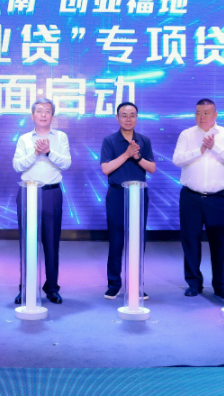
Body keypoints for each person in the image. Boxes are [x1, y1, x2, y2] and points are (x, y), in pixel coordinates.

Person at [172, 99, 224, 300]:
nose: (201, 117)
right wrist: (200, 150)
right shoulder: (187, 134)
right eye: (198, 113)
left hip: (218, 197)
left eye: (206, 113)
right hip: (190, 196)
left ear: (215, 114)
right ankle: (194, 283)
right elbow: (177, 160)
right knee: (190, 241)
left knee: (220, 242)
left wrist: (214, 147)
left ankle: (220, 285)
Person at [12, 98, 72, 305]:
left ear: (53, 116)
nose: (43, 114)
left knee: (51, 243)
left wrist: (48, 152)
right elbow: (17, 166)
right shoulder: (24, 139)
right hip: (27, 192)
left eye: (47, 111)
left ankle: (52, 288)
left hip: (51, 194)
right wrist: (35, 153)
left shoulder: (61, 137)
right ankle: (26, 288)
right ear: (32, 115)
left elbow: (66, 163)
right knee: (27, 243)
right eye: (39, 111)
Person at [99, 102, 156, 299]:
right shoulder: (109, 141)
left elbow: (152, 168)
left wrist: (137, 157)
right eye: (124, 115)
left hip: (139, 194)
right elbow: (106, 168)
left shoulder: (144, 141)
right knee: (116, 240)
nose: (128, 119)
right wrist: (127, 154)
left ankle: (136, 284)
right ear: (117, 118)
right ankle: (114, 284)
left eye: (132, 115)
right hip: (117, 194)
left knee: (138, 240)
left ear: (137, 118)